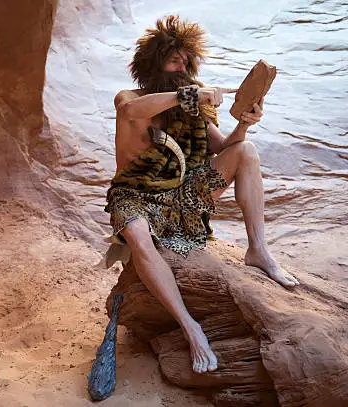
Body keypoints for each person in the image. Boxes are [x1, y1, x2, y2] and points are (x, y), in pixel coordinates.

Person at [103, 15, 300, 374]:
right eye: (173, 60)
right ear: (153, 63)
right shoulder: (129, 98)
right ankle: (190, 326)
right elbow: (130, 111)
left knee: (248, 152)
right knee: (138, 237)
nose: (181, 68)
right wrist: (184, 94)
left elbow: (229, 151)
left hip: (181, 196)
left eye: (185, 62)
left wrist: (245, 122)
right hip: (134, 196)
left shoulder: (190, 108)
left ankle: (258, 251)